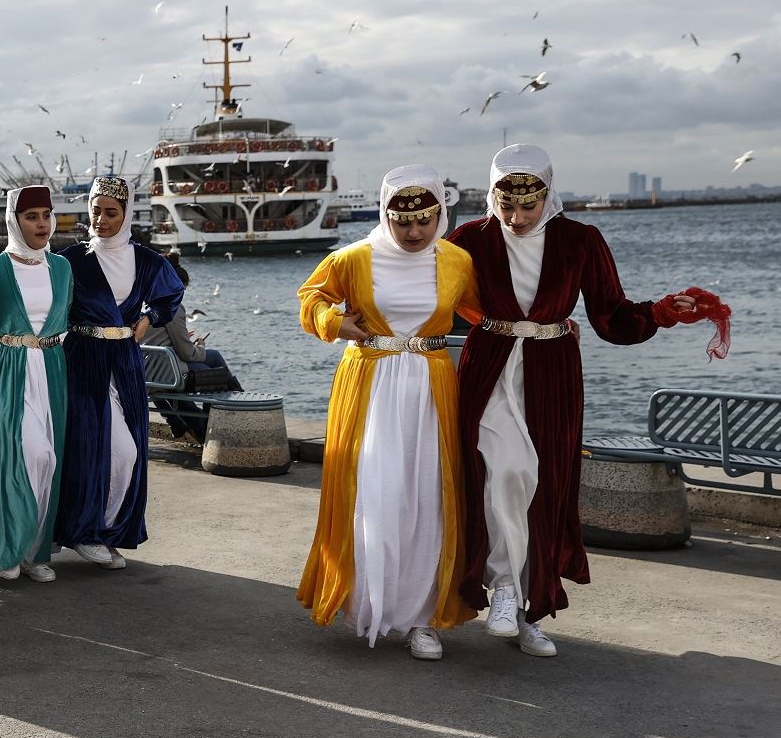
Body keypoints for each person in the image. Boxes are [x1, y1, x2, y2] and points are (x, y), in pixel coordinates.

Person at [448, 144, 697, 657]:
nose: (515, 218)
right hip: (489, 369)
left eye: (527, 207)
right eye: (505, 206)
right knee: (504, 473)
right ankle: (504, 588)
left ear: (548, 194)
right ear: (492, 194)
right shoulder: (468, 239)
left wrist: (665, 312)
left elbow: (611, 316)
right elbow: (430, 296)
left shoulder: (580, 240)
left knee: (544, 489)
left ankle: (530, 611)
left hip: (552, 374)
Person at [296, 165, 480, 660]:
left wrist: (551, 325)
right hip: (371, 383)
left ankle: (423, 618)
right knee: (374, 494)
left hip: (431, 386)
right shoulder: (353, 259)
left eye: (425, 220)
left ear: (440, 214)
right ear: (386, 215)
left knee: (427, 499)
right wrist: (336, 321)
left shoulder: (458, 262)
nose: (415, 231)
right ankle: (371, 605)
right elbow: (311, 299)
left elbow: (492, 315)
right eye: (404, 222)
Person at [54, 176, 183, 568]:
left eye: (111, 212)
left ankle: (106, 530)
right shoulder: (70, 260)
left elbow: (171, 292)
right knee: (87, 447)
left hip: (124, 361)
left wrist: (149, 318)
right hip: (81, 357)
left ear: (126, 215)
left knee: (127, 451)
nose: (101, 219)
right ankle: (85, 532)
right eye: (95, 210)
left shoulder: (145, 260)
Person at [0, 185, 73, 583]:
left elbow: (72, 318)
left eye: (46, 215)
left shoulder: (62, 268)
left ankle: (35, 551)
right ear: (15, 220)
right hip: (7, 369)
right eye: (32, 217)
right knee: (26, 455)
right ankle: (8, 546)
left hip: (50, 368)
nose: (42, 224)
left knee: (50, 458)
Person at [139, 257, 239, 441]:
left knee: (214, 358)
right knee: (218, 375)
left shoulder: (141, 304)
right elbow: (187, 353)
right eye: (182, 289)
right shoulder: (172, 308)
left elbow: (159, 340)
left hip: (147, 370)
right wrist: (200, 346)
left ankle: (189, 425)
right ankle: (230, 409)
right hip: (167, 374)